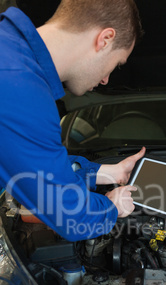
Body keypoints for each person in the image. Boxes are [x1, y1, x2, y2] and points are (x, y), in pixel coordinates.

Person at [0, 0, 145, 241]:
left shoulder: (10, 52)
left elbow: (33, 162)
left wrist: (109, 173)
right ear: (105, 39)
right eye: (115, 64)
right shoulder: (21, 89)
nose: (106, 80)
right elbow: (72, 217)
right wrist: (111, 206)